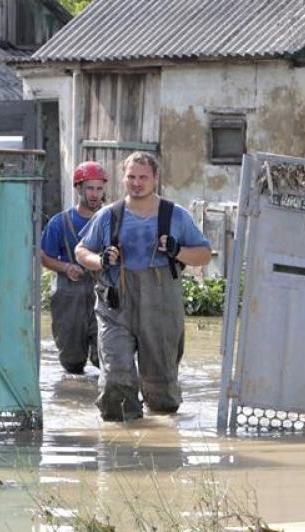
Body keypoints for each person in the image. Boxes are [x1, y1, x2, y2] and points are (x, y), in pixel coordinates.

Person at [76, 152, 212, 421]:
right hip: (115, 308)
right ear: (123, 179)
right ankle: (121, 447)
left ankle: (159, 449)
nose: (137, 183)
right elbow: (81, 251)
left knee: (162, 391)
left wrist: (177, 250)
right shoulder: (108, 216)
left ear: (155, 179)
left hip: (160, 308)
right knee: (116, 378)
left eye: (143, 177)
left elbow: (204, 254)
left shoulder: (176, 216)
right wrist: (100, 259)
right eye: (131, 177)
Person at [40, 161, 107, 374]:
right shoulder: (59, 222)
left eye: (99, 188)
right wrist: (66, 267)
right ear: (78, 188)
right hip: (69, 296)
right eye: (90, 188)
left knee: (106, 357)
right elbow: (44, 256)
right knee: (72, 363)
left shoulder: (111, 219)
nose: (95, 194)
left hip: (103, 294)